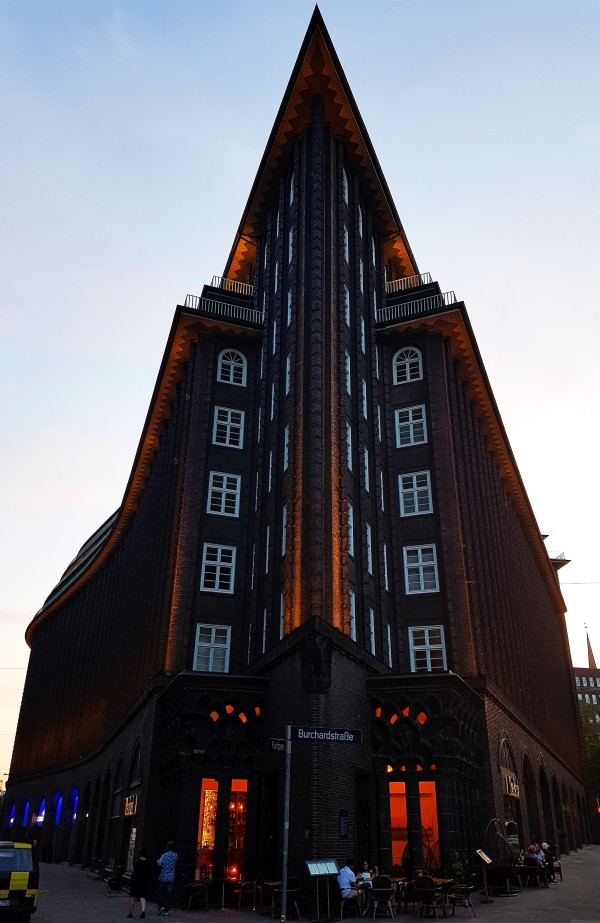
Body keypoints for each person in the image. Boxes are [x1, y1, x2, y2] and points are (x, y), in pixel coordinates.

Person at [127, 848, 151, 919]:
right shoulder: (148, 862)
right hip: (143, 882)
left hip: (135, 881)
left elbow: (132, 869)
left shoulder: (137, 861)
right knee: (142, 897)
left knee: (132, 896)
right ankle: (143, 911)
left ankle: (130, 913)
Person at [156, 841, 178, 916]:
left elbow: (159, 863)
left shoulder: (164, 855)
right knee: (168, 893)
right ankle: (166, 910)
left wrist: (158, 861)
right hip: (171, 877)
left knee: (160, 892)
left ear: (167, 847)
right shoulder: (175, 855)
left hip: (163, 877)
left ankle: (161, 907)